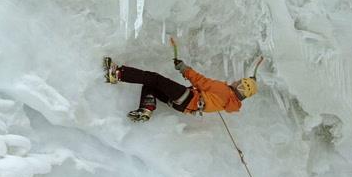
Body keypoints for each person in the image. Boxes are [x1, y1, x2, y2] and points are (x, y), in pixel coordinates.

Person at [104, 56, 257, 121]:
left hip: (186, 96)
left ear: (241, 86)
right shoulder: (228, 102)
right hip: (181, 106)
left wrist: (184, 68)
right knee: (152, 85)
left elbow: (201, 81)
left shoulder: (224, 91)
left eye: (240, 82)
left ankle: (117, 73)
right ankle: (146, 108)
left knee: (154, 78)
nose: (236, 81)